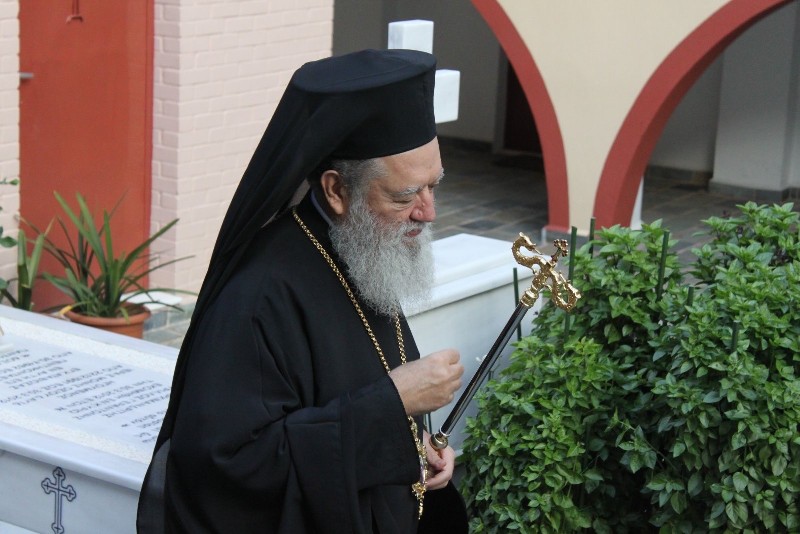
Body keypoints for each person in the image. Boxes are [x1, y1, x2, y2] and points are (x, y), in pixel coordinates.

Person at [137, 49, 468, 533]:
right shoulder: (257, 298)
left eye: (432, 186)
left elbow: (347, 389)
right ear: (336, 190)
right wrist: (392, 404)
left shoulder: (362, 248)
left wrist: (410, 445)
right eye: (405, 196)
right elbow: (227, 466)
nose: (428, 212)